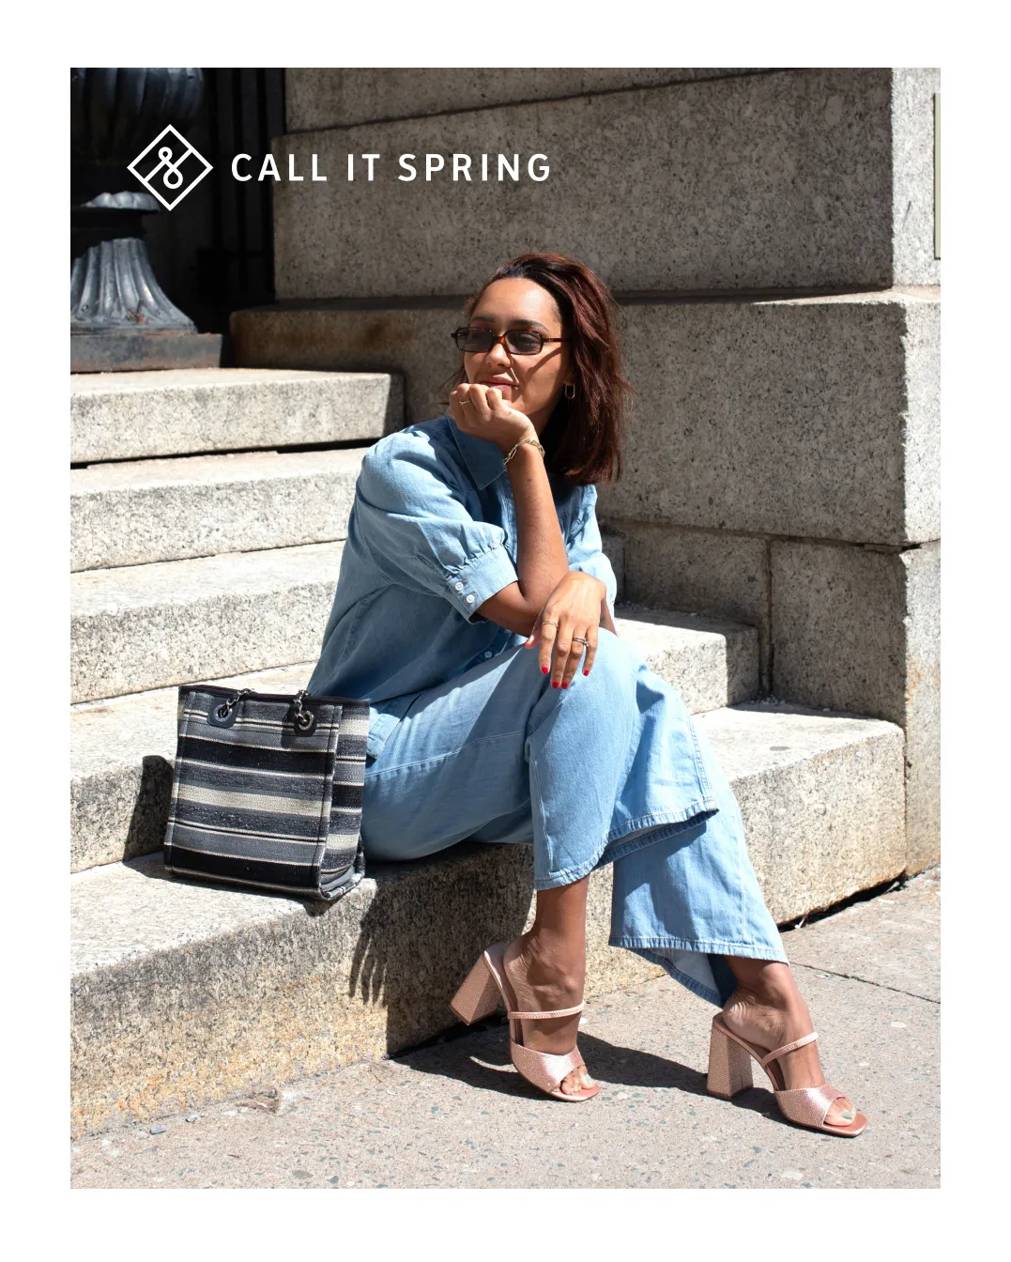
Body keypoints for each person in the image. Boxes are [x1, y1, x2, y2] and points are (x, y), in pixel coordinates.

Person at [307, 251, 866, 1135]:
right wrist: (525, 459)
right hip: (378, 774)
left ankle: (762, 995)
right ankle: (580, 963)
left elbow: (578, 613)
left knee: (626, 694)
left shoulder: (568, 483)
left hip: (492, 765)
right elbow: (539, 611)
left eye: (525, 339)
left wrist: (579, 570)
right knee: (611, 674)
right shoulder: (402, 469)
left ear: (574, 360)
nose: (495, 357)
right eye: (478, 336)